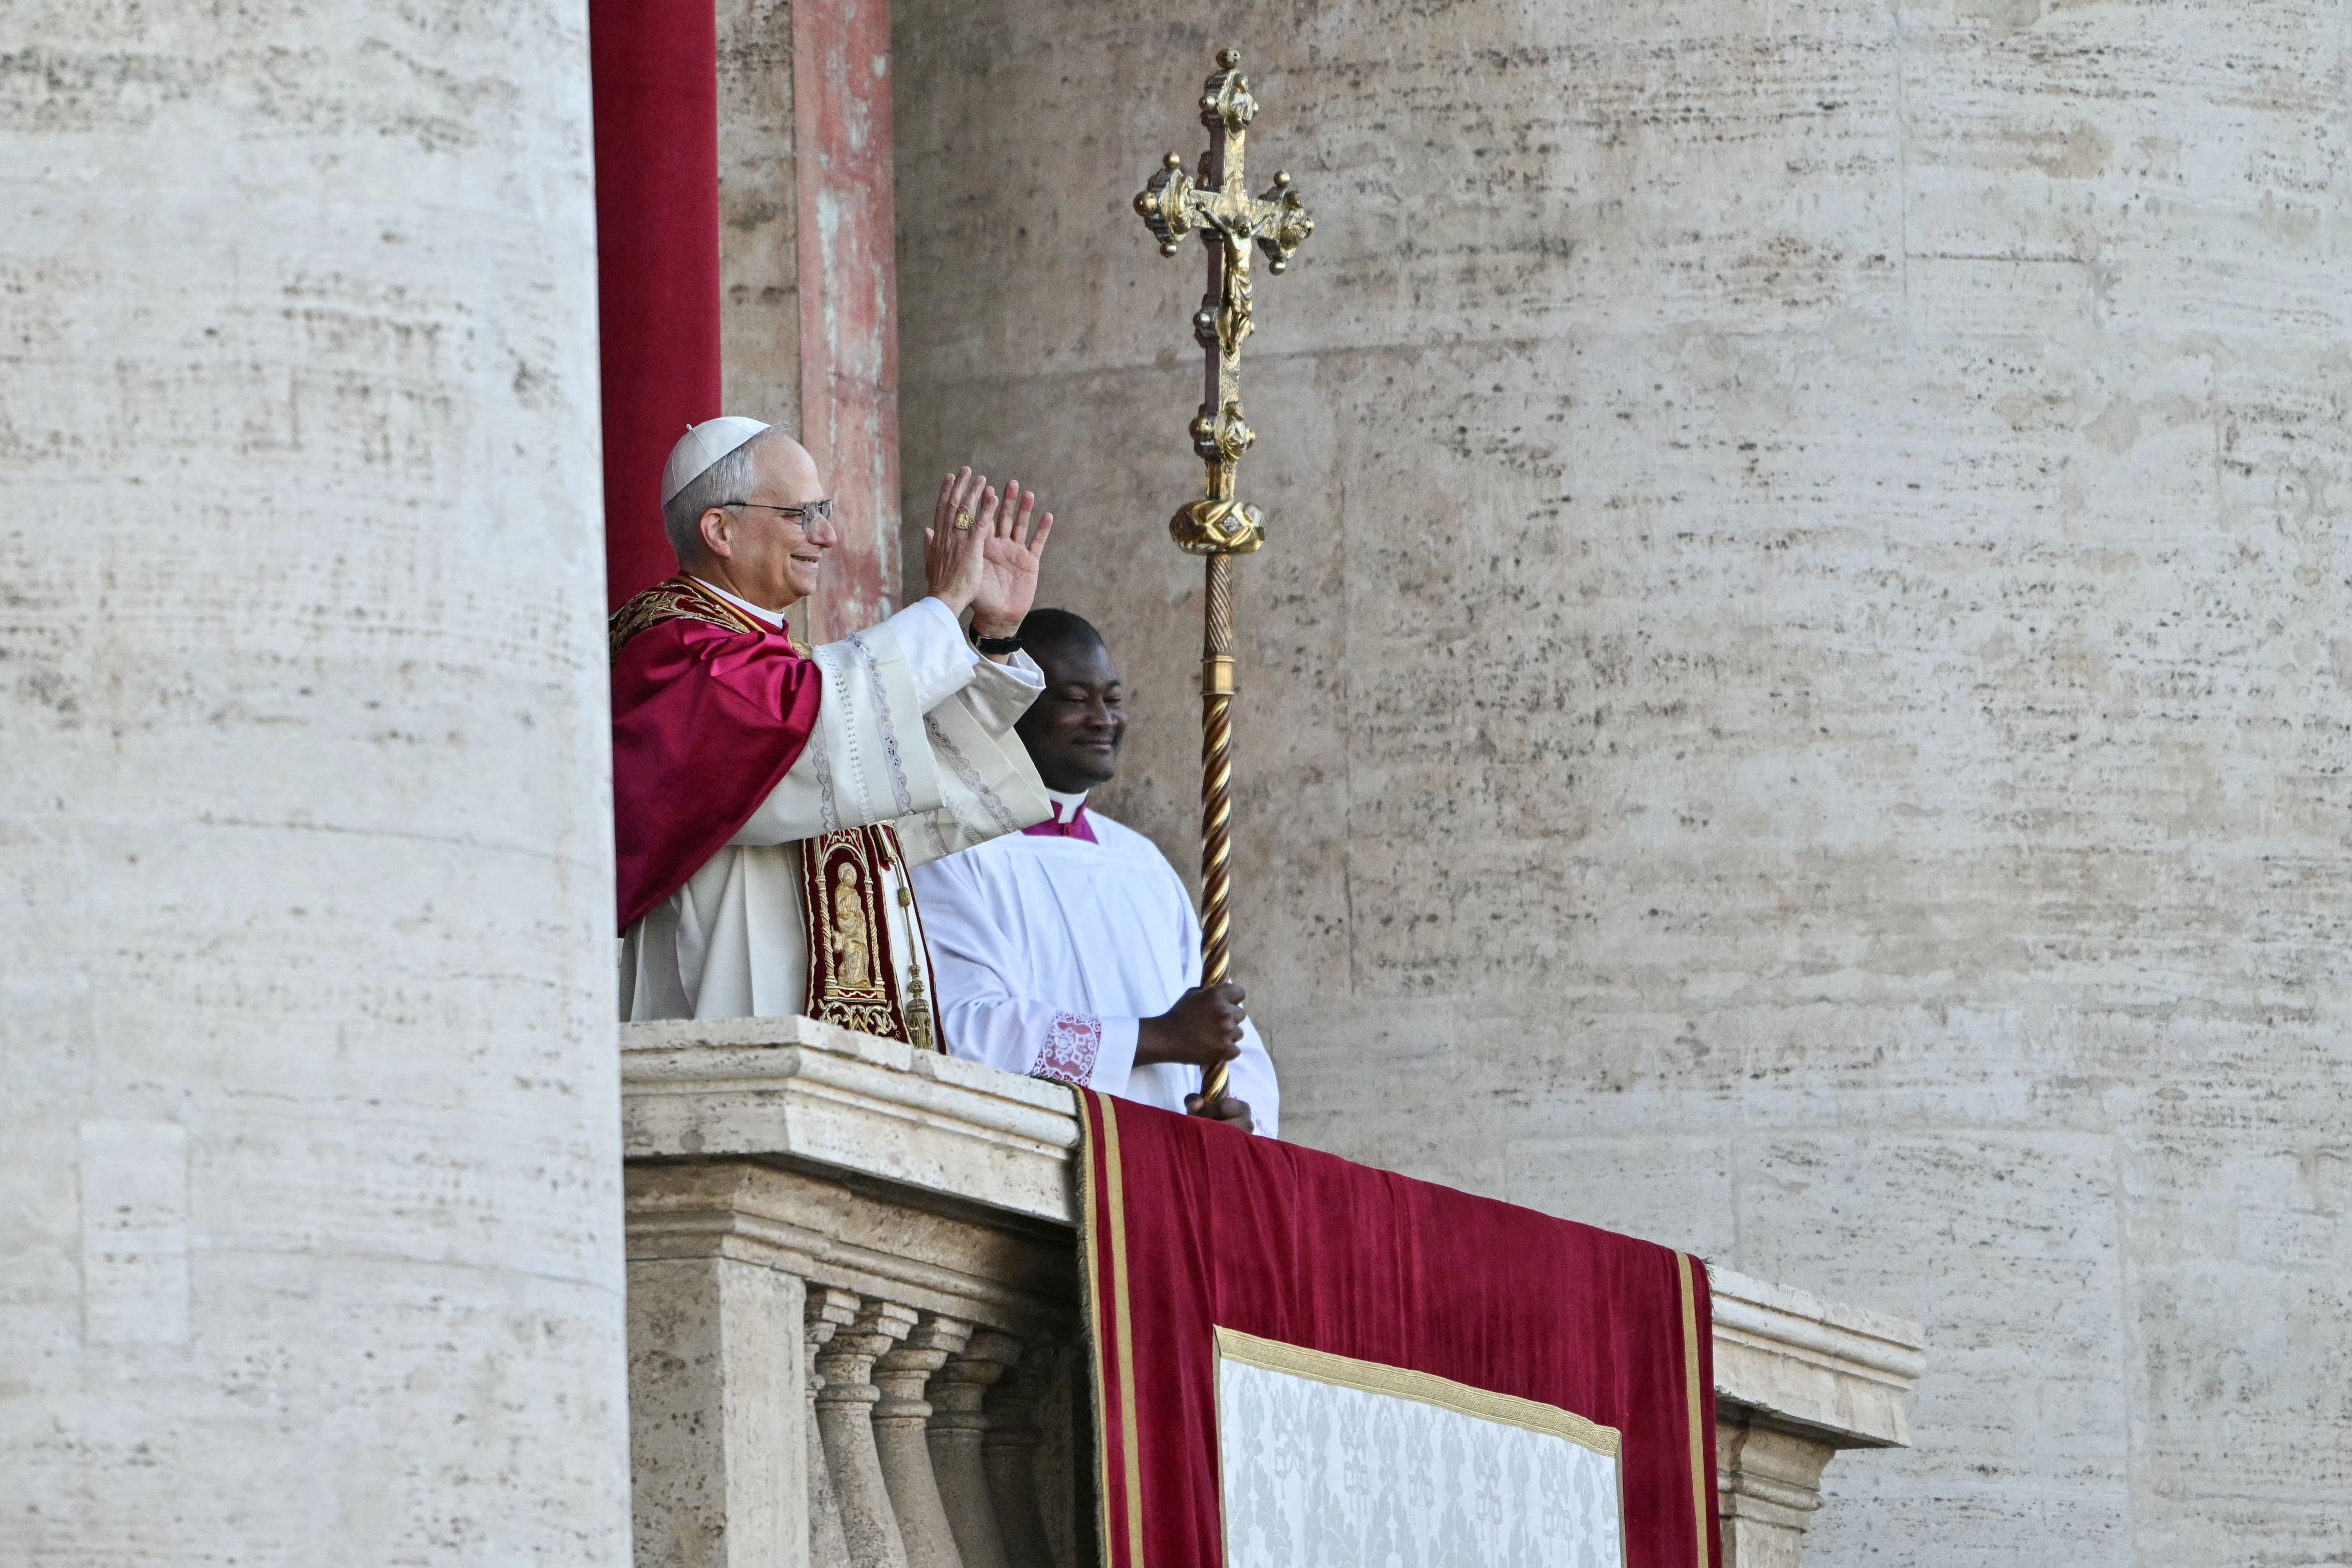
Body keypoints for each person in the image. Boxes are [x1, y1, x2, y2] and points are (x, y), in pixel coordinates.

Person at [613, 417, 1058, 1041]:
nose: (827, 534)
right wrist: (941, 605)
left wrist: (994, 636)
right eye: (802, 514)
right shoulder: (675, 651)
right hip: (733, 1027)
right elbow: (811, 729)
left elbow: (898, 771)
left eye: (823, 511)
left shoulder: (776, 664)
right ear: (720, 529)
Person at [909, 609, 1279, 1134]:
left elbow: (1220, 1028)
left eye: (1112, 698)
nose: (1104, 719)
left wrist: (1240, 1112)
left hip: (1169, 1162)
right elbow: (966, 1031)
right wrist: (1156, 1038)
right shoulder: (953, 851)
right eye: (1075, 700)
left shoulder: (1140, 861)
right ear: (1012, 707)